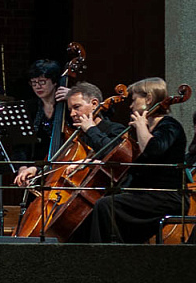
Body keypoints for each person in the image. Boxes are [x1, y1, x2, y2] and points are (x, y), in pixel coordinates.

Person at [88, 77, 188, 243]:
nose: (130, 105)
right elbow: (137, 169)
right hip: (146, 196)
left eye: (134, 100)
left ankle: (109, 257)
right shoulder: (146, 130)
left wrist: (141, 126)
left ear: (148, 99)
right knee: (104, 201)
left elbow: (153, 151)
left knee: (107, 205)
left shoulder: (170, 126)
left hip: (167, 196)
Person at [14, 82, 125, 187]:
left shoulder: (115, 129)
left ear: (94, 104)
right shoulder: (76, 136)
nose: (72, 114)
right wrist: (37, 170)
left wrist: (91, 129)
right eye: (70, 109)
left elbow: (115, 155)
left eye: (77, 107)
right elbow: (59, 165)